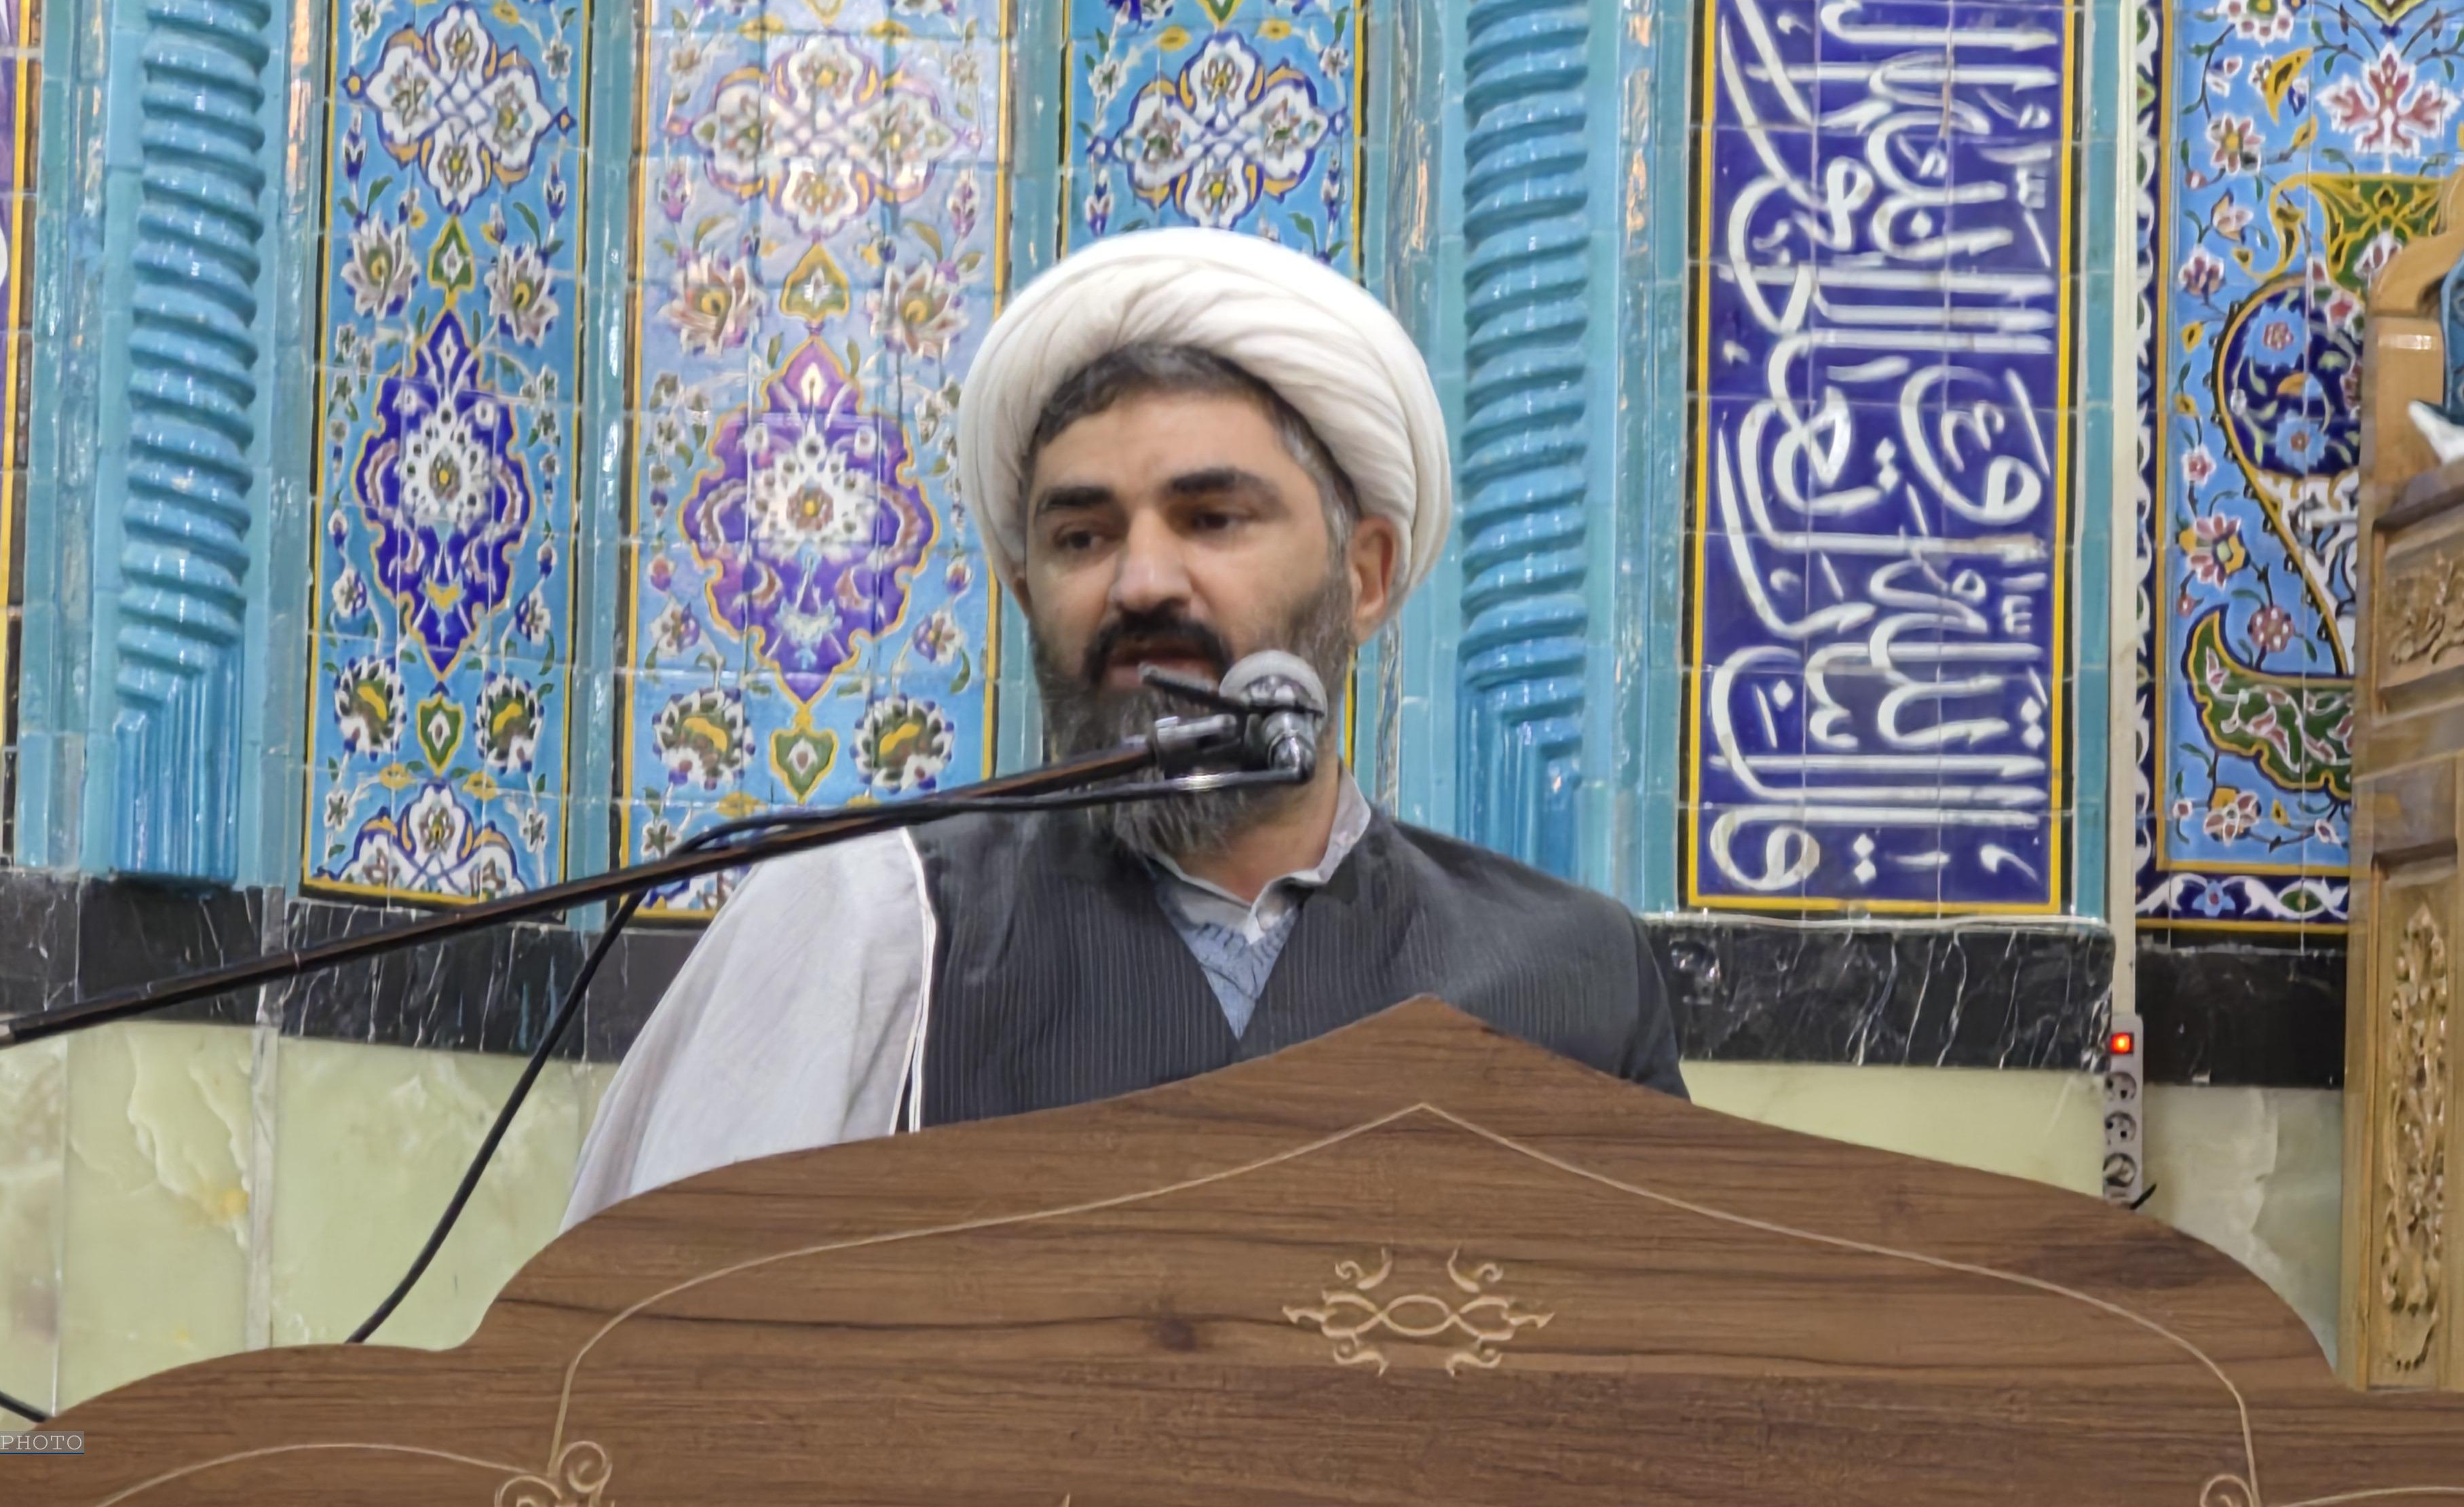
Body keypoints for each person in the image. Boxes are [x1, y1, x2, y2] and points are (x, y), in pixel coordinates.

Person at [563, 229, 1685, 1227]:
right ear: (1025, 592)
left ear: (1366, 574)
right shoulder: (880, 926)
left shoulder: (1570, 977)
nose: (1142, 581)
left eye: (1213, 518)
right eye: (1083, 539)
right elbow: (654, 1358)